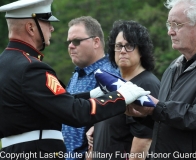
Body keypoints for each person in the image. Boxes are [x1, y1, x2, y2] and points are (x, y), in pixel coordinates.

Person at [0, 0, 150, 159]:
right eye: (46, 22)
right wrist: (121, 97)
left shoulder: (6, 64)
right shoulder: (31, 68)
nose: (51, 28)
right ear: (30, 28)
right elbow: (74, 113)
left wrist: (92, 94)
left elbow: (52, 101)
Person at [129, 0, 196, 159]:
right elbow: (167, 121)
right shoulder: (173, 67)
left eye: (176, 24)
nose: (170, 32)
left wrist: (157, 108)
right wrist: (144, 114)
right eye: (169, 24)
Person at [86, 20, 161, 160]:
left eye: (129, 46)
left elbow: (144, 140)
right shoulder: (114, 84)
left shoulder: (146, 85)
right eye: (118, 46)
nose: (123, 51)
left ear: (141, 51)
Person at [62, 16, 120, 160]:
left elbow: (110, 124)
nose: (71, 46)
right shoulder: (77, 73)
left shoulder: (109, 74)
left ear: (96, 42)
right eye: (69, 42)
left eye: (76, 41)